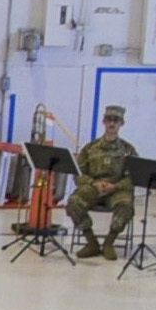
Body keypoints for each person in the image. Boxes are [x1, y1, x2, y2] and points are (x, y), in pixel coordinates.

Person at [64, 106, 139, 258]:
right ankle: (91, 242)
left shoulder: (128, 150)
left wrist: (115, 186)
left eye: (116, 120)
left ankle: (108, 243)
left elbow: (134, 177)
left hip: (117, 190)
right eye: (109, 120)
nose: (112, 124)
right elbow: (78, 174)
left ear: (121, 124)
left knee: (126, 207)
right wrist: (93, 183)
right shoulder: (90, 148)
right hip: (94, 187)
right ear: (104, 122)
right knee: (74, 202)